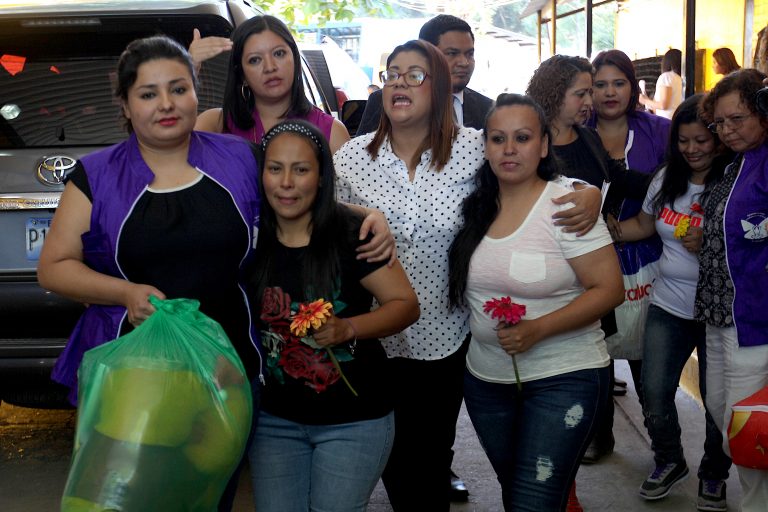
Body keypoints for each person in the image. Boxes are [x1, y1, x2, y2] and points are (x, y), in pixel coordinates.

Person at [333, 39, 601, 512]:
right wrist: (361, 213)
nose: (399, 82)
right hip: (376, 337)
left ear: (439, 89)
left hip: (448, 336)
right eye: (392, 73)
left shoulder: (473, 148)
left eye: (415, 75)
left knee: (432, 456)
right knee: (394, 461)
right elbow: (322, 217)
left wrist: (588, 192)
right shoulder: (352, 158)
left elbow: (534, 173)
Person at [36, 35, 263, 511]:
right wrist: (125, 293)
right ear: (125, 104)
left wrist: (363, 217)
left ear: (196, 91)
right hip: (133, 377)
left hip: (227, 371)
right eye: (147, 93)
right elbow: (54, 268)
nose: (166, 104)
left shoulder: (239, 159)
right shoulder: (96, 175)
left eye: (178, 89)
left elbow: (299, 209)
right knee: (129, 498)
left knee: (209, 497)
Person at [447, 93, 624, 511]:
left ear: (544, 145)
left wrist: (538, 329)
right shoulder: (471, 206)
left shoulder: (567, 205)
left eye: (522, 138)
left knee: (533, 501)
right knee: (518, 494)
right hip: (486, 381)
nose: (509, 149)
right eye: (498, 139)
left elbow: (609, 289)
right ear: (485, 146)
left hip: (564, 376)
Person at [246, 119, 419, 511]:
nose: (286, 182)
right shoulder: (250, 237)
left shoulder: (354, 232)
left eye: (301, 169)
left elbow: (405, 305)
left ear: (322, 176)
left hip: (354, 419)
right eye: (275, 168)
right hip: (274, 421)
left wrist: (348, 328)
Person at [613, 94, 733, 510]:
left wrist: (713, 241)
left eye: (701, 140)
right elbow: (644, 225)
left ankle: (714, 475)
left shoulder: (733, 180)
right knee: (654, 389)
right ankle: (669, 460)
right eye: (683, 141)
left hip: (720, 312)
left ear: (718, 139)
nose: (692, 149)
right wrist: (606, 231)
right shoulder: (666, 179)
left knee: (717, 399)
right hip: (668, 304)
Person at [584, 48, 671, 463]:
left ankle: (663, 440)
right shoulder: (576, 132)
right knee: (595, 352)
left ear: (633, 87)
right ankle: (599, 435)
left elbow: (677, 189)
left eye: (618, 83)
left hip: (651, 257)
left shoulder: (660, 130)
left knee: (646, 354)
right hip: (590, 258)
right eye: (599, 84)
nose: (609, 92)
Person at [698, 68, 768, 512]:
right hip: (718, 314)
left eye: (737, 118)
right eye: (719, 122)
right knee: (724, 417)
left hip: (755, 319)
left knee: (747, 426)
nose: (726, 130)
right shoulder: (733, 165)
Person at [189, 15, 350, 153]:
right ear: (242, 75)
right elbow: (175, 159)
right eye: (255, 60)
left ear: (295, 59)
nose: (270, 67)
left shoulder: (332, 133)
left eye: (279, 53)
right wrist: (188, 71)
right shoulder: (216, 124)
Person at [356, 14, 493, 137]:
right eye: (452, 53)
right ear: (424, 55)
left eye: (470, 54)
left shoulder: (488, 109)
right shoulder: (385, 102)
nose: (464, 62)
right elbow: (366, 153)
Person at [639, 49, 683, 120]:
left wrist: (645, 101)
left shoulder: (666, 76)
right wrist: (648, 101)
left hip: (665, 122)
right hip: (675, 120)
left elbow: (663, 105)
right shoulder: (680, 79)